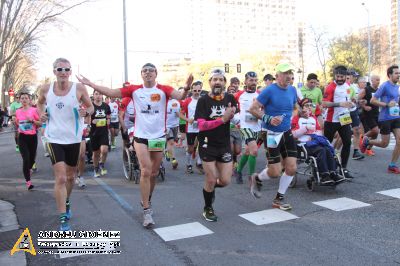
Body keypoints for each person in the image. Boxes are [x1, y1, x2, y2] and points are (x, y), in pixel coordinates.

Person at [77, 63, 192, 228]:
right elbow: (111, 92)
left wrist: (187, 88)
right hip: (140, 137)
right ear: (141, 75)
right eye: (144, 71)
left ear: (156, 73)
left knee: (154, 172)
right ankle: (146, 210)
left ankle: (147, 199)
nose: (148, 73)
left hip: (158, 137)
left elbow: (180, 96)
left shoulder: (164, 89)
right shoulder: (134, 90)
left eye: (151, 70)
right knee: (145, 170)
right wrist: (91, 84)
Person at [37, 58, 94, 231]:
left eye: (66, 69)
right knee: (61, 177)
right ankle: (63, 218)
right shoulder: (46, 89)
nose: (63, 72)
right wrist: (41, 114)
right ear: (54, 71)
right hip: (54, 138)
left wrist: (86, 112)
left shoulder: (79, 88)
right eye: (59, 69)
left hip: (74, 138)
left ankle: (66, 201)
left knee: (70, 176)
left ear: (70, 72)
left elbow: (91, 108)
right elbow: (40, 102)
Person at [248, 62, 298, 210]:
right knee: (275, 172)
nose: (288, 75)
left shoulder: (293, 90)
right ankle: (257, 178)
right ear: (277, 76)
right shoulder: (269, 90)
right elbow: (253, 109)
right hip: (271, 134)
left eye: (290, 72)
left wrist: (290, 117)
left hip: (287, 132)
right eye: (285, 73)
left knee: (291, 168)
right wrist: (269, 119)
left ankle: (279, 199)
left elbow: (295, 108)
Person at [195, 69, 237, 222]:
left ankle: (209, 189)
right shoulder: (203, 101)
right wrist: (222, 119)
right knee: (211, 178)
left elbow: (234, 115)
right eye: (215, 79)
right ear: (210, 83)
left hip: (224, 144)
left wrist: (234, 118)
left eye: (221, 79)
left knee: (225, 181)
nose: (218, 82)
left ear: (225, 83)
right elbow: (201, 125)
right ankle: (208, 207)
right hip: (207, 144)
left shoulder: (231, 98)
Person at [292, 98, 345, 184]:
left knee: (328, 149)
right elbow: (293, 134)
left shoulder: (313, 118)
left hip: (314, 142)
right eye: (306, 106)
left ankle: (333, 173)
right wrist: (305, 129)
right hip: (302, 144)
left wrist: (314, 135)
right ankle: (324, 175)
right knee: (321, 150)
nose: (309, 107)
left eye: (310, 105)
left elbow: (319, 131)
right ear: (301, 108)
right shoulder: (296, 118)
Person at [361, 65, 400, 173]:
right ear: (390, 75)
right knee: (384, 143)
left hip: (396, 117)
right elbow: (373, 100)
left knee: (399, 140)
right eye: (396, 73)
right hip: (385, 118)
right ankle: (367, 141)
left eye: (399, 73)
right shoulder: (384, 86)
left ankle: (392, 165)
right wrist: (387, 104)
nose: (398, 75)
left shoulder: (398, 87)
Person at [321, 65, 354, 179]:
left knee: (348, 143)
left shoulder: (348, 85)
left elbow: (347, 99)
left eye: (342, 76)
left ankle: (343, 168)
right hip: (331, 120)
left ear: (346, 76)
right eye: (337, 76)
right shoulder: (330, 87)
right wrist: (339, 104)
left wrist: (351, 103)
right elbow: (324, 104)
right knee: (327, 145)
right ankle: (326, 169)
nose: (339, 78)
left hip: (344, 118)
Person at [234, 71, 261, 184]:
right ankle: (252, 176)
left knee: (248, 152)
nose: (253, 82)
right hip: (245, 126)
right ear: (245, 81)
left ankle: (238, 171)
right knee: (254, 151)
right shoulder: (238, 95)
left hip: (257, 127)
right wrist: (236, 118)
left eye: (255, 80)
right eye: (251, 80)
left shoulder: (260, 94)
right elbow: (230, 107)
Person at [15, 92, 41, 190]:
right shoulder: (18, 111)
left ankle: (29, 168)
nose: (24, 100)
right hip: (22, 137)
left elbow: (40, 124)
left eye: (26, 98)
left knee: (32, 159)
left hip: (32, 137)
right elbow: (18, 123)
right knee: (26, 158)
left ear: (29, 100)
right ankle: (28, 182)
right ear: (20, 100)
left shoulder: (34, 110)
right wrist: (16, 122)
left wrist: (33, 121)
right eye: (22, 98)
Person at [180, 81, 203, 174]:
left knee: (203, 146)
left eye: (199, 90)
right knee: (190, 148)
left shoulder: (204, 100)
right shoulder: (187, 101)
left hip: (202, 127)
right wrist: (187, 119)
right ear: (192, 90)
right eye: (195, 90)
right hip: (190, 128)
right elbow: (180, 114)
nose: (197, 92)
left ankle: (199, 162)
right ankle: (189, 164)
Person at [90, 91, 111, 177]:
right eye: (96, 94)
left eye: (100, 94)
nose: (98, 96)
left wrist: (108, 121)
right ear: (93, 96)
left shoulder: (106, 106)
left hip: (104, 132)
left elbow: (108, 116)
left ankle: (102, 164)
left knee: (104, 150)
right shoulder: (90, 106)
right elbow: (85, 119)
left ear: (102, 96)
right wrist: (92, 121)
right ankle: (96, 168)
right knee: (96, 153)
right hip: (94, 133)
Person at [358, 75, 380, 156]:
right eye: (377, 79)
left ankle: (368, 149)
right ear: (372, 80)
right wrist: (364, 106)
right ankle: (363, 138)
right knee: (375, 130)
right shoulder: (366, 89)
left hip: (377, 113)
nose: (378, 81)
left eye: (379, 80)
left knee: (375, 134)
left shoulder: (379, 90)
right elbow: (357, 99)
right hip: (368, 114)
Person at [347, 71, 365, 160]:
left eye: (355, 77)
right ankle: (334, 151)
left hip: (353, 110)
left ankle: (356, 152)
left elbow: (355, 99)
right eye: (353, 76)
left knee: (357, 130)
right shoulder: (341, 86)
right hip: (344, 112)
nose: (355, 78)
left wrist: (359, 101)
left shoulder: (353, 87)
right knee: (343, 134)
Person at [165, 96, 181, 169]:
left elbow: (178, 113)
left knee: (172, 143)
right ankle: (173, 160)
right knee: (170, 142)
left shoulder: (176, 102)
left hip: (175, 125)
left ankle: (166, 152)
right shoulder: (162, 101)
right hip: (167, 126)